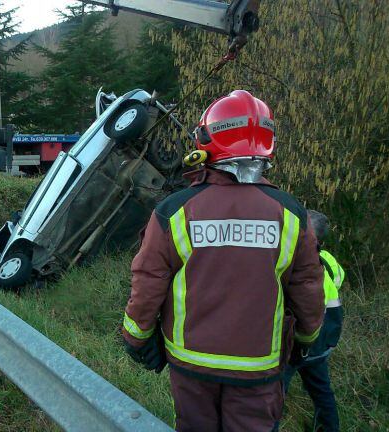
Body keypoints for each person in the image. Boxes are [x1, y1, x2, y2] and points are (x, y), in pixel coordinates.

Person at [122, 90, 324, 431]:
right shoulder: (291, 214)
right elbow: (307, 287)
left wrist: (136, 338)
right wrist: (305, 340)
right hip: (258, 368)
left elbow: (148, 281)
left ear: (207, 141)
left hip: (190, 366)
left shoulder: (174, 212)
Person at [283, 210, 344, 431]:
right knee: (322, 390)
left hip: (300, 340)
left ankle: (268, 424)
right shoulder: (329, 260)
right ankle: (329, 427)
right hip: (326, 338)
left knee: (276, 390)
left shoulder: (298, 262)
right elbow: (338, 280)